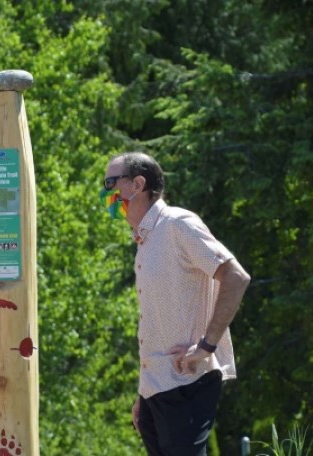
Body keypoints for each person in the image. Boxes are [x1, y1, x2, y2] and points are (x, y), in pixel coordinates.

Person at [99, 152, 251, 455]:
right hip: (156, 387)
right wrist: (144, 395)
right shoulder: (146, 239)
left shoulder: (177, 224)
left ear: (138, 184)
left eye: (110, 182)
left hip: (186, 381)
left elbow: (236, 277)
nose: (105, 193)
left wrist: (207, 346)